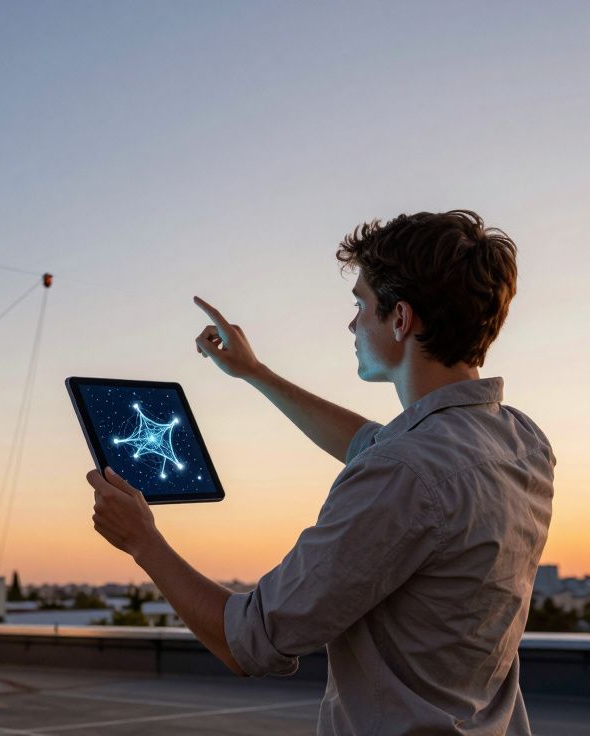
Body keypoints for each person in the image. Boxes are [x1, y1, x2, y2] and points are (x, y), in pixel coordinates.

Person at [86, 209, 555, 735]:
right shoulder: (521, 440)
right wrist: (255, 373)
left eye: (361, 304)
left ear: (400, 319)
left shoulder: (404, 473)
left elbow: (249, 642)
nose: (352, 323)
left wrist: (143, 541)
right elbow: (372, 443)